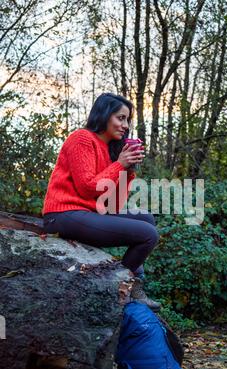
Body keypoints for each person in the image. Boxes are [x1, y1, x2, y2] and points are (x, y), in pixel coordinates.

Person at [42, 92, 161, 311]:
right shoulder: (81, 138)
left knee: (146, 217)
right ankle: (122, 284)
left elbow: (113, 204)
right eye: (120, 118)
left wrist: (127, 169)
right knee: (148, 234)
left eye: (127, 120)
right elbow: (87, 187)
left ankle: (132, 282)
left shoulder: (109, 151)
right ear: (104, 115)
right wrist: (119, 165)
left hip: (88, 212)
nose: (125, 125)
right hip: (63, 214)